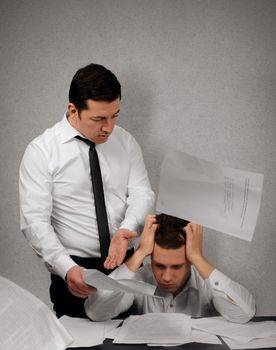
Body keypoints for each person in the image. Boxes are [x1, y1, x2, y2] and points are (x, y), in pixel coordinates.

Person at [19, 63, 155, 318]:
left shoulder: (125, 142)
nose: (109, 127)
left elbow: (142, 193)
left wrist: (126, 230)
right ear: (73, 109)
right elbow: (34, 222)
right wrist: (67, 269)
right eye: (99, 118)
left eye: (115, 115)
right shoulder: (42, 151)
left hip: (128, 264)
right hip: (75, 272)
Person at [85, 214, 256, 323]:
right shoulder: (139, 278)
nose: (166, 277)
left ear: (189, 260)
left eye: (176, 267)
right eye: (159, 265)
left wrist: (198, 258)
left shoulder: (206, 282)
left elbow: (244, 314)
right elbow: (95, 312)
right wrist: (139, 253)